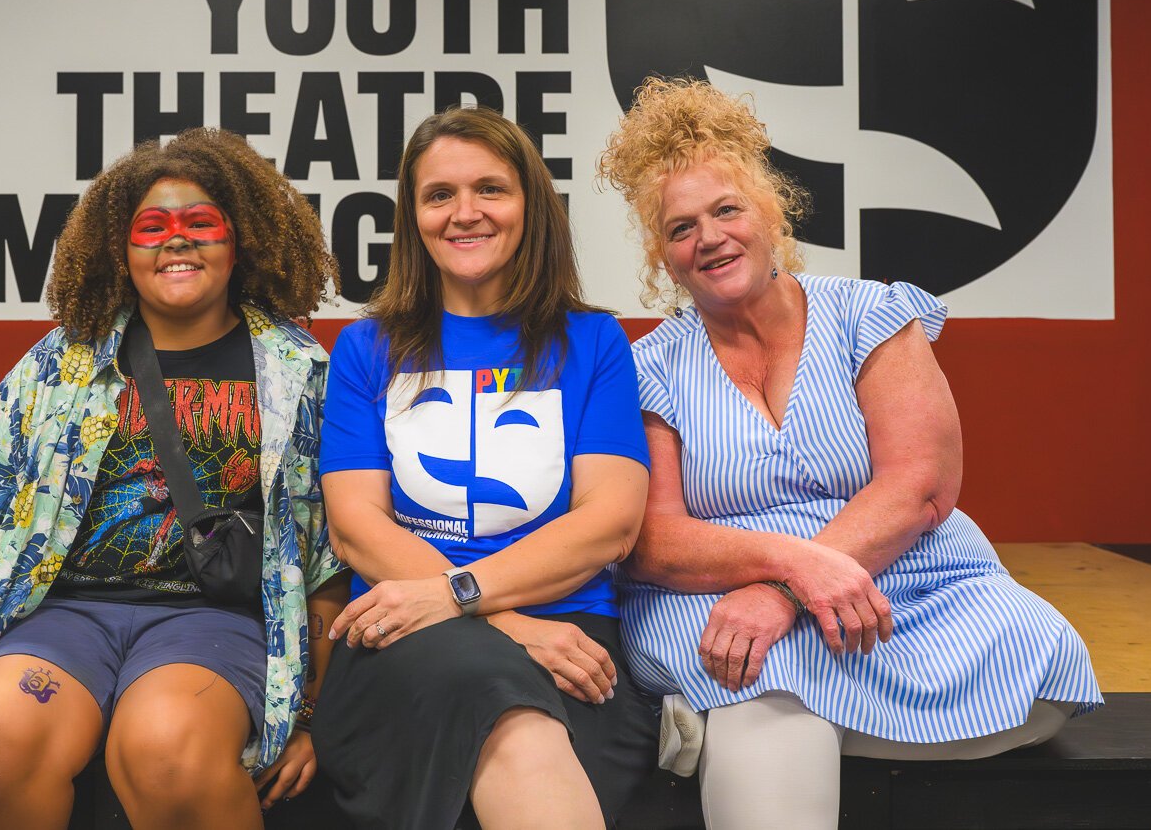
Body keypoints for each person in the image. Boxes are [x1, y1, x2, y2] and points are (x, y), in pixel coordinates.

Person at [597, 77, 1103, 828]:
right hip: (720, 599)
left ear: (772, 212)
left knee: (1034, 667)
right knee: (756, 680)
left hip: (901, 579)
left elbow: (921, 486)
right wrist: (793, 568)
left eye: (727, 209)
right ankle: (753, 711)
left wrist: (784, 593)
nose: (709, 237)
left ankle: (718, 720)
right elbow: (654, 539)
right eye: (680, 228)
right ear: (663, 258)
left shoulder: (870, 313)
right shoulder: (651, 368)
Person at [0, 128, 349, 830]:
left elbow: (328, 557)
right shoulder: (59, 365)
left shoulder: (297, 373)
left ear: (242, 241)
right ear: (123, 249)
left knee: (168, 749)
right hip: (63, 618)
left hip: (215, 622)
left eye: (201, 223)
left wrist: (313, 717)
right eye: (153, 228)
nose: (177, 241)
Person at [313, 106, 659, 830]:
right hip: (401, 636)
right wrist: (498, 616)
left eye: (490, 189)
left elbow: (610, 523)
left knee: (521, 733)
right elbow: (354, 527)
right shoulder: (366, 347)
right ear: (414, 216)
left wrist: (467, 598)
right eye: (440, 194)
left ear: (530, 204)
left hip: (572, 642)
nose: (464, 212)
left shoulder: (593, 341)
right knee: (506, 717)